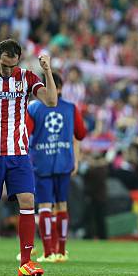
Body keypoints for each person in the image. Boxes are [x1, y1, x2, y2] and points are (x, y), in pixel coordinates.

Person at [0, 39, 58, 276]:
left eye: (12, 66)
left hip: (18, 152)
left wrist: (47, 70)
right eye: (5, 65)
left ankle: (26, 263)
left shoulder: (26, 77)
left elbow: (51, 101)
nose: (8, 70)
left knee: (28, 201)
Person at [27, 72, 87, 263]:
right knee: (61, 205)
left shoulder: (34, 108)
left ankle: (47, 252)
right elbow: (81, 133)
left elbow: (25, 133)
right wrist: (75, 158)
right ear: (60, 87)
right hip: (63, 162)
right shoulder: (70, 108)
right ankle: (61, 251)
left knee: (45, 206)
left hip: (41, 163)